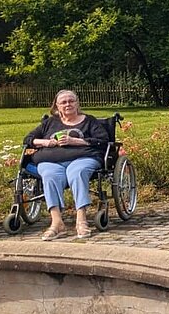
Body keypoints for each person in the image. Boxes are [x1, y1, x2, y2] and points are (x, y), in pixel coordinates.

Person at [23, 90, 110, 240]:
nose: (68, 104)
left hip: (83, 157)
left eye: (71, 101)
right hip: (50, 160)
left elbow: (103, 141)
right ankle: (57, 223)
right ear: (57, 106)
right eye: (63, 102)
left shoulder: (89, 121)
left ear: (77, 103)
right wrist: (45, 142)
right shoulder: (50, 122)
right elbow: (28, 139)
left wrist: (74, 141)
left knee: (77, 172)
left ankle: (81, 219)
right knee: (49, 175)